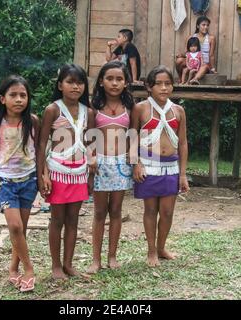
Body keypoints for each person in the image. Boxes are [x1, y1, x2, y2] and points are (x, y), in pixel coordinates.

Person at [37, 64, 95, 280]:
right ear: (60, 85)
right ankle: (55, 266)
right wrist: (43, 174)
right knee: (57, 220)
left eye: (79, 83)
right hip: (57, 171)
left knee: (73, 220)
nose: (75, 87)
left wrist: (90, 174)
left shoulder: (88, 112)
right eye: (70, 82)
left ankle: (69, 264)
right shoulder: (53, 109)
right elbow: (42, 144)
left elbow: (90, 143)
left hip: (79, 171)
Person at [130, 66, 190, 267]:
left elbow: (182, 143)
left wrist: (183, 174)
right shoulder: (140, 109)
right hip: (148, 165)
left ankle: (162, 247)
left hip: (171, 167)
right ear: (149, 86)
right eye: (159, 84)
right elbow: (132, 137)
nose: (164, 88)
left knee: (167, 211)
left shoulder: (178, 111)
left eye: (168, 83)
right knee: (150, 210)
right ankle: (151, 250)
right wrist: (136, 163)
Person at [0, 75, 40, 292]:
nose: (19, 99)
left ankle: (12, 268)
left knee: (21, 229)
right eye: (13, 95)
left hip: (28, 180)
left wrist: (41, 176)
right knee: (15, 226)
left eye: (23, 95)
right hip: (5, 181)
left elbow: (39, 150)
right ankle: (29, 270)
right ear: (2, 99)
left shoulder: (32, 121)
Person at [86, 61, 135, 274]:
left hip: (121, 164)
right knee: (99, 212)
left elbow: (133, 137)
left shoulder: (130, 108)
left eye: (119, 79)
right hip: (100, 164)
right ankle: (95, 259)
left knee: (116, 211)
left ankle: (112, 256)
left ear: (126, 83)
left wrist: (134, 162)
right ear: (101, 82)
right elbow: (88, 138)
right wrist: (91, 158)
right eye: (109, 78)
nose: (114, 83)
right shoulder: (92, 108)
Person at [175, 16, 217, 84]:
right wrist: (181, 55)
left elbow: (211, 55)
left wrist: (213, 69)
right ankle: (181, 79)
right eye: (203, 25)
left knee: (205, 66)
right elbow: (187, 52)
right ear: (198, 26)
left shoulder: (211, 38)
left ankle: (194, 79)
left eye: (207, 25)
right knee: (179, 60)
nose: (206, 27)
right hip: (192, 62)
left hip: (203, 64)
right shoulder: (191, 37)